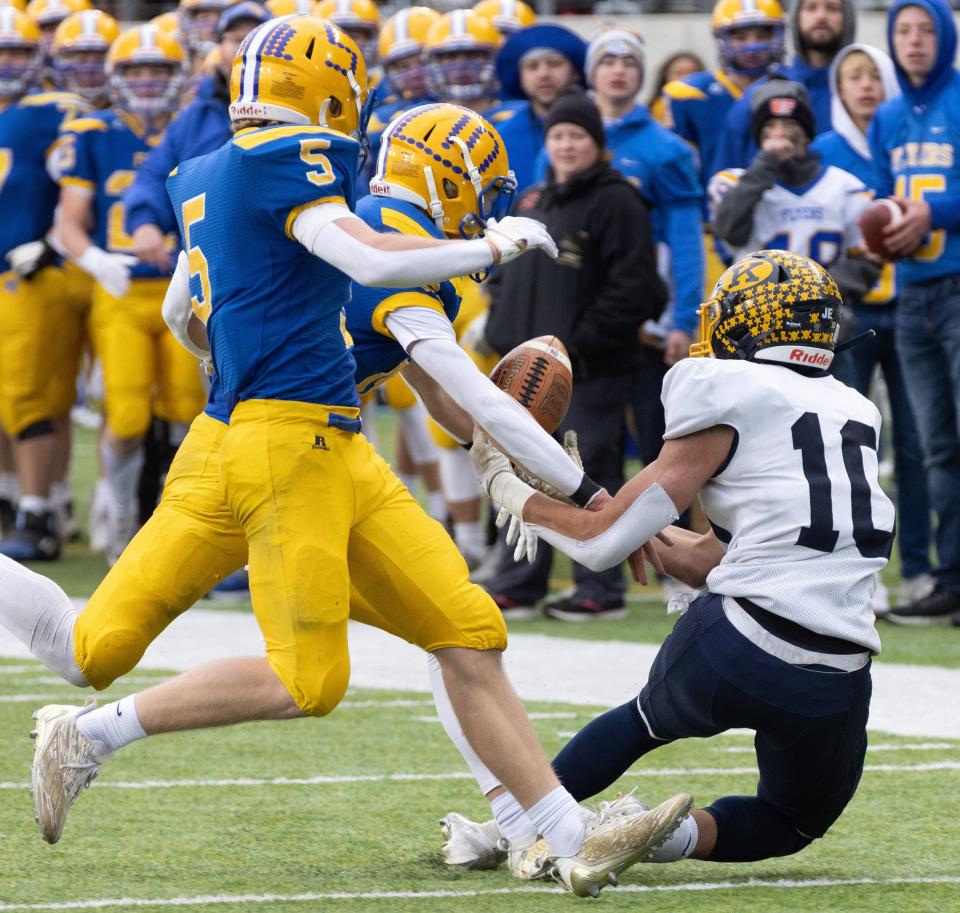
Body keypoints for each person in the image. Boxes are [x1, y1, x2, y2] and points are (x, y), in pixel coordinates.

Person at [12, 19, 689, 895]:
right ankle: (87, 735)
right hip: (284, 451)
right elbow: (419, 328)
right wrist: (585, 486)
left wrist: (237, 359)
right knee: (307, 677)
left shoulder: (216, 170)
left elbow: (188, 306)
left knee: (466, 629)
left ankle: (561, 831)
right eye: (477, 195)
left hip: (301, 441)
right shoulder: (306, 178)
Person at [454, 249, 894, 875]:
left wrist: (515, 491)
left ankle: (517, 830)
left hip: (738, 644)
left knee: (641, 722)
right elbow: (714, 557)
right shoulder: (855, 408)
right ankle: (656, 837)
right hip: (836, 670)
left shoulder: (726, 387)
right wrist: (595, 500)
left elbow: (600, 545)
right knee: (792, 821)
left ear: (747, 324)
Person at [482, 91, 666, 621]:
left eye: (577, 135)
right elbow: (507, 279)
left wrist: (576, 344)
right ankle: (520, 580)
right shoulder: (535, 200)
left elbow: (636, 287)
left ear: (597, 144)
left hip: (592, 368)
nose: (566, 145)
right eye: (558, 135)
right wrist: (502, 333)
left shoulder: (619, 200)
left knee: (590, 470)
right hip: (525, 371)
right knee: (518, 471)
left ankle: (600, 586)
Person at [56, 24, 206, 564]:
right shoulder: (94, 131)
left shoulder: (193, 128)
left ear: (177, 75)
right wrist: (96, 261)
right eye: (136, 71)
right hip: (120, 293)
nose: (147, 81)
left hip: (186, 292)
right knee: (125, 415)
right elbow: (69, 221)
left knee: (191, 413)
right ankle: (117, 517)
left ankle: (184, 523)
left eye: (158, 70)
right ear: (118, 78)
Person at [811, 43, 933, 611]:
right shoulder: (826, 150)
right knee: (848, 445)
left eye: (871, 75)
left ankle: (919, 564)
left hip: (907, 302)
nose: (863, 85)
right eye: (851, 76)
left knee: (915, 443)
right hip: (848, 318)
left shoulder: (901, 137)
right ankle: (857, 565)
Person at [868, 0, 960, 625]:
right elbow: (880, 194)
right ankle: (950, 580)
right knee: (934, 447)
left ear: (946, 35)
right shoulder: (889, 115)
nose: (915, 40)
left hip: (958, 285)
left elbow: (931, 205)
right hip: (912, 292)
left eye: (926, 28)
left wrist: (936, 213)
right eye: (904, 29)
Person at [0, 8, 90, 561]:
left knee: (32, 396)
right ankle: (14, 500)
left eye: (16, 51)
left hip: (29, 270)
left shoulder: (52, 112)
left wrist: (55, 243)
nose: (8, 63)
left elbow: (82, 183)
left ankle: (42, 508)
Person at [580, 29, 704, 367]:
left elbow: (686, 240)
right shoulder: (566, 138)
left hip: (645, 308)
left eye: (629, 62)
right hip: (579, 301)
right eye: (608, 61)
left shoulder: (668, 149)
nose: (618, 70)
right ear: (591, 72)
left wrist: (684, 320)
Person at [124, 1, 270, 273]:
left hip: (278, 264)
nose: (245, 49)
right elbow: (156, 174)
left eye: (256, 39)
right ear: (219, 46)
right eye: (237, 39)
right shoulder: (196, 113)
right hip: (203, 268)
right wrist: (146, 221)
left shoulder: (300, 109)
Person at [710, 79, 879, 314]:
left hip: (823, 320)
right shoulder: (732, 182)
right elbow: (730, 232)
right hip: (757, 319)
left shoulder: (845, 187)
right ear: (760, 135)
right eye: (771, 125)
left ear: (807, 133)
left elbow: (868, 259)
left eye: (789, 124)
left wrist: (820, 296)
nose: (780, 133)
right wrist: (764, 167)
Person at [661, 0, 786, 291]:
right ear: (722, 40)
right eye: (741, 36)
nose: (752, 45)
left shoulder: (789, 86)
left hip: (779, 228)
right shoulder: (691, 94)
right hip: (709, 232)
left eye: (761, 35)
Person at [713, 0, 856, 173]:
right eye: (811, 7)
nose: (821, 16)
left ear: (848, 19)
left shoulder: (867, 89)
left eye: (832, 8)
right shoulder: (760, 94)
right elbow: (725, 180)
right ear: (796, 17)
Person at [488, 23, 586, 193]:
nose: (543, 74)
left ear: (575, 72)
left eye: (554, 64)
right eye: (532, 66)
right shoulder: (500, 139)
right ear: (520, 76)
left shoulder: (600, 129)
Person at [647, 50, 703, 126]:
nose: (686, 78)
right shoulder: (654, 110)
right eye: (679, 73)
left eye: (692, 73)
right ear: (666, 78)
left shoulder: (710, 107)